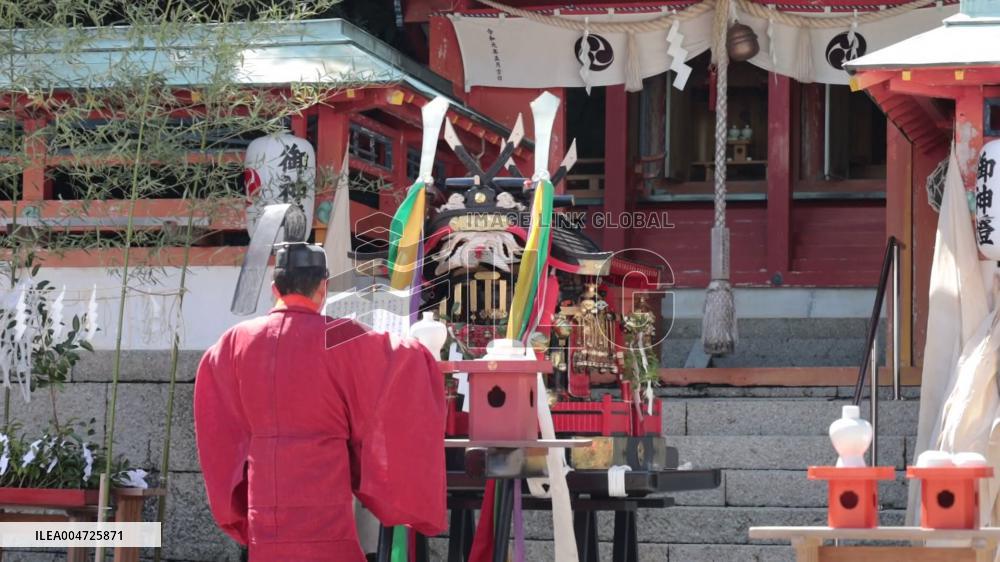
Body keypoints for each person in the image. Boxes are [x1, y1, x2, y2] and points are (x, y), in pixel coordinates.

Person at [194, 242, 446, 561]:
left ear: (275, 288)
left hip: (267, 500)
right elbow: (402, 360)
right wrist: (426, 346)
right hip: (323, 500)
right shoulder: (340, 336)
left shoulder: (235, 341)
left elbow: (218, 421)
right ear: (323, 288)